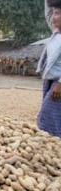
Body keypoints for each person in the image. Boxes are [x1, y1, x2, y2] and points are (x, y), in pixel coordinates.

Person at [37, 0, 61, 137]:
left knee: (48, 114)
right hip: (50, 81)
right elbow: (48, 13)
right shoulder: (56, 33)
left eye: (57, 13)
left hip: (58, 83)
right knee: (54, 114)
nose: (53, 17)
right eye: (53, 13)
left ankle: (54, 145)